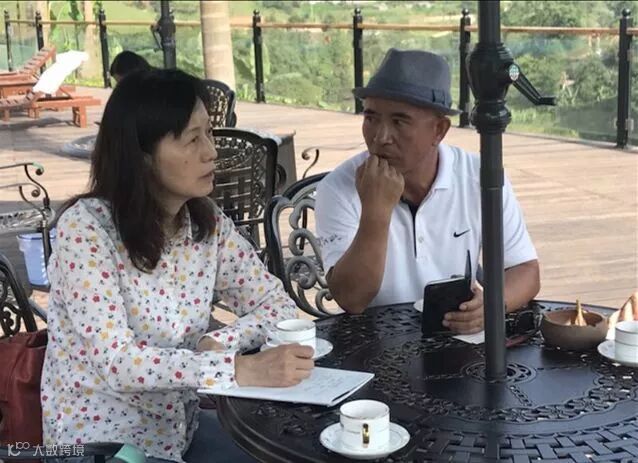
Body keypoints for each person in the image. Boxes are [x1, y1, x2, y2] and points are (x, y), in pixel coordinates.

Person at [41, 68, 315, 463]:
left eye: (209, 133)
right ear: (141, 155)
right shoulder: (86, 230)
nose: (211, 151)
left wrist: (223, 341)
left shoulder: (206, 223)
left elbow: (277, 306)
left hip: (179, 432)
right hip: (102, 444)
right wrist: (237, 370)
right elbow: (117, 362)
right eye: (192, 138)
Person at [315, 49, 540, 333]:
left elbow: (525, 270)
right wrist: (375, 212)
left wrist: (493, 305)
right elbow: (352, 299)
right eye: (371, 118)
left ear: (439, 130)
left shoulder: (479, 176)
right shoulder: (338, 187)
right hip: (375, 342)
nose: (381, 137)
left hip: (456, 337)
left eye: (399, 122)